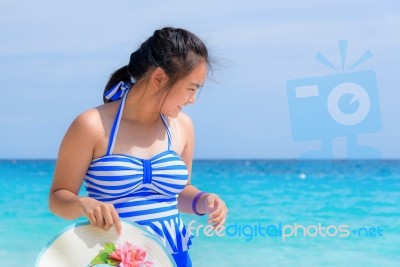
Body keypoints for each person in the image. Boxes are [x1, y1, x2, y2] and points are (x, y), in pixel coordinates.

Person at [49, 27, 228, 267]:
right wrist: (83, 204)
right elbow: (58, 198)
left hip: (173, 257)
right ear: (159, 78)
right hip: (114, 257)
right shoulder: (91, 125)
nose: (193, 100)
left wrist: (203, 200)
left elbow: (179, 193)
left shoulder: (182, 127)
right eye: (191, 88)